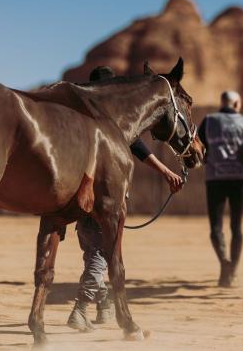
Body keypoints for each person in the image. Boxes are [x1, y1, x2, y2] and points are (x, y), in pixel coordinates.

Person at [67, 66, 184, 331]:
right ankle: (80, 309)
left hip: (79, 203)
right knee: (101, 254)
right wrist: (166, 172)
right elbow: (139, 148)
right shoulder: (111, 125)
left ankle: (104, 304)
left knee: (94, 254)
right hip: (105, 202)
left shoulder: (80, 124)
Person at [197, 90, 243, 287]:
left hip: (215, 179)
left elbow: (197, 145)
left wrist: (205, 159)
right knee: (236, 227)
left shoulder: (209, 121)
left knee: (216, 227)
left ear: (222, 102)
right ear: (236, 103)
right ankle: (232, 270)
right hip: (239, 179)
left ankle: (224, 262)